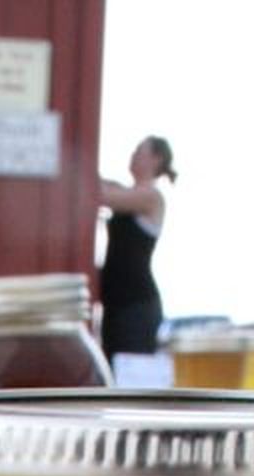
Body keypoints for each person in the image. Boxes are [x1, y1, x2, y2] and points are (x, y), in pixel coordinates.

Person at [98, 137, 176, 371]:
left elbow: (102, 195)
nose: (133, 155)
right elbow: (106, 187)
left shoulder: (151, 197)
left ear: (156, 159)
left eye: (139, 151)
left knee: (129, 377)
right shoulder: (130, 192)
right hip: (116, 305)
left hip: (136, 307)